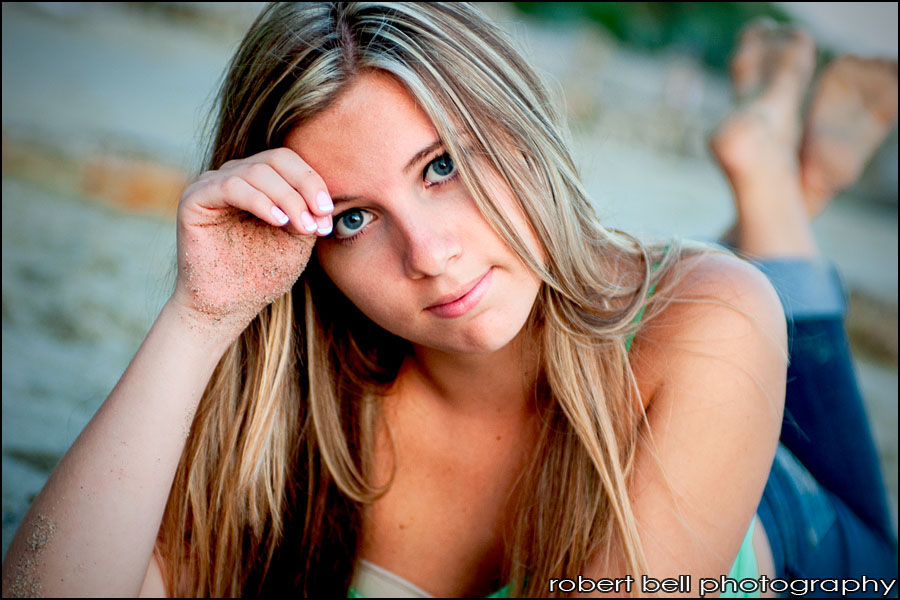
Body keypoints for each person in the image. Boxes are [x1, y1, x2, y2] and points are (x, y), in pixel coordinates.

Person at [1, 3, 896, 598]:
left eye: (443, 167)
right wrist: (199, 318)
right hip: (634, 347)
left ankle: (778, 178)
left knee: (741, 322)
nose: (429, 254)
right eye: (351, 217)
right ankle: (789, 175)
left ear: (522, 129)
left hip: (795, 540)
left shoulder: (706, 321)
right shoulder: (301, 394)